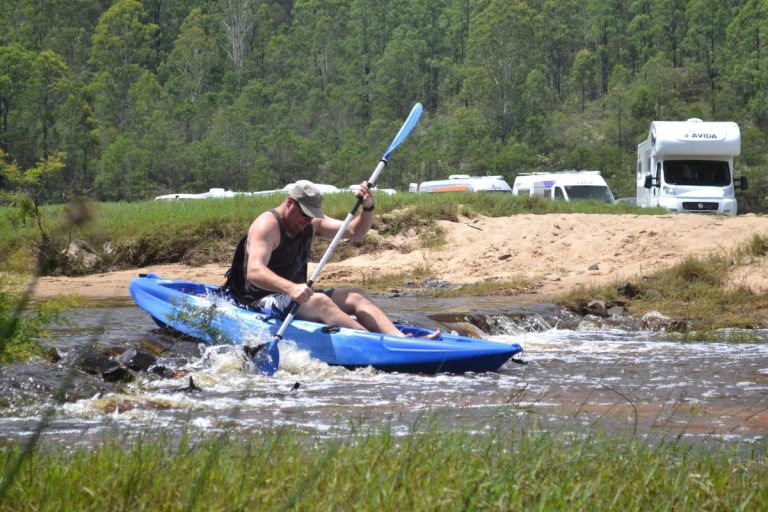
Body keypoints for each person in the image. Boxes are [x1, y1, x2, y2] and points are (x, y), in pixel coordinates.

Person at [224, 180, 440, 339]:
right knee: (319, 301)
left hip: (295, 296)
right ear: (290, 202)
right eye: (304, 215)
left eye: (311, 216)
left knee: (358, 295)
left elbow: (355, 232)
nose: (307, 221)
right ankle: (375, 342)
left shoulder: (312, 222)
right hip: (259, 298)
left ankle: (399, 340)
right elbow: (254, 272)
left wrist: (368, 208)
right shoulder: (267, 225)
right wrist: (290, 288)